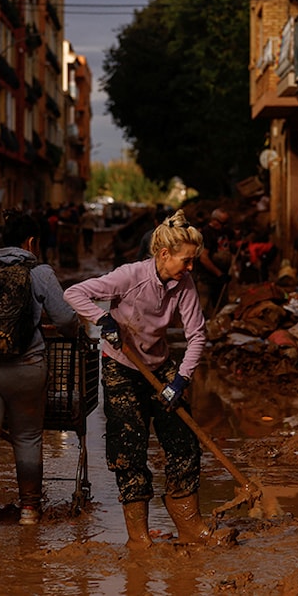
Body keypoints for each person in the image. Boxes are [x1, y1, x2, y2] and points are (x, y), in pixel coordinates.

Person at [63, 210, 220, 549]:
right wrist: (103, 319)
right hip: (121, 366)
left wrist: (181, 380)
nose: (191, 268)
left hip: (160, 365)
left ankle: (190, 525)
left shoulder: (184, 285)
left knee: (183, 441)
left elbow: (197, 334)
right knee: (129, 449)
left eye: (193, 261)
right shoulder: (129, 276)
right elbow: (74, 293)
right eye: (187, 260)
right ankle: (139, 537)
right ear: (164, 254)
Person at [0, 212, 78, 534]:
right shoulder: (41, 272)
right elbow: (65, 320)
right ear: (31, 242)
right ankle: (29, 511)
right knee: (27, 436)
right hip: (25, 371)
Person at [198, 208, 234, 314]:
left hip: (222, 279)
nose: (224, 226)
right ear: (214, 220)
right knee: (203, 308)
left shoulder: (224, 231)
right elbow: (203, 258)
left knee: (222, 309)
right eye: (222, 223)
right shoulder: (206, 233)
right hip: (207, 278)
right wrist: (219, 274)